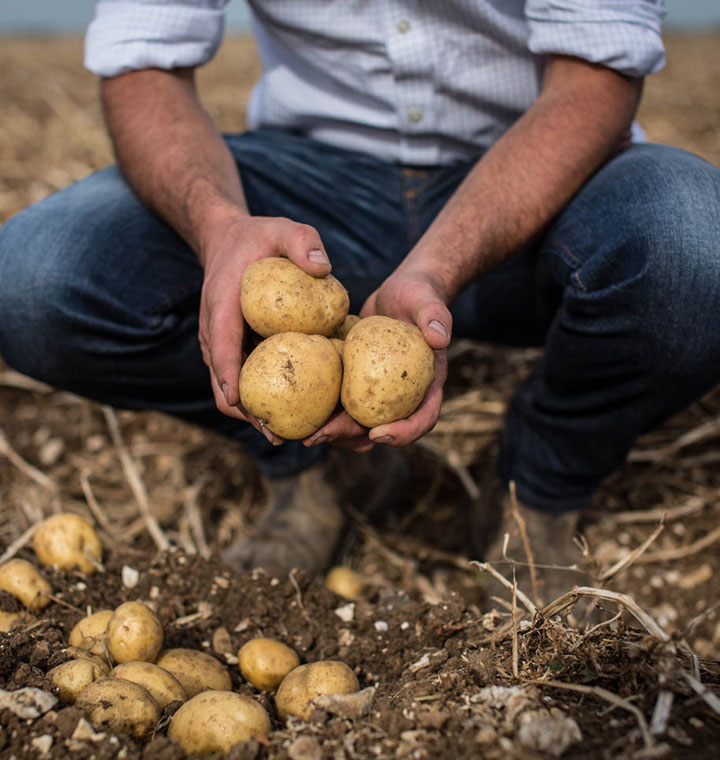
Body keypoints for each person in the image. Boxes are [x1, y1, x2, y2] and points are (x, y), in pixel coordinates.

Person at [1, 1, 719, 604]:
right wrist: (220, 228)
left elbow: (594, 77)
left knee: (694, 243)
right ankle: (316, 464)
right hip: (309, 193)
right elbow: (144, 62)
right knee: (34, 276)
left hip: (531, 179)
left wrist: (436, 266)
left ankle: (540, 479)